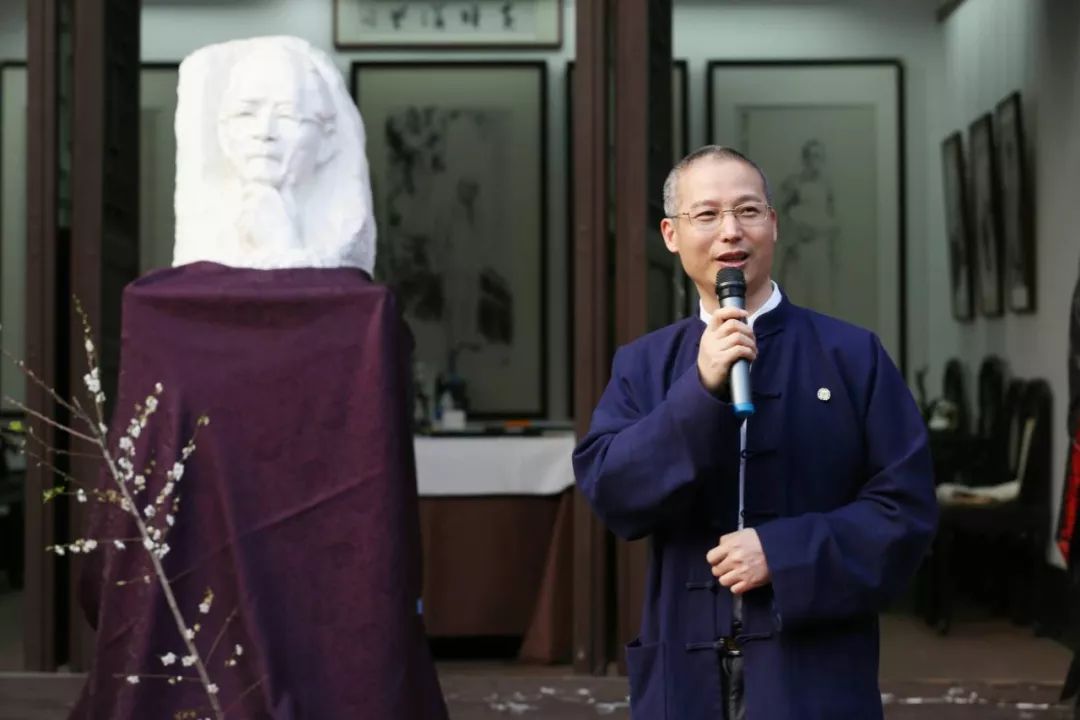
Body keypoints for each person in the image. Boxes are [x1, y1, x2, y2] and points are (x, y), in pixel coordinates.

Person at [573, 145, 938, 719]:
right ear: (671, 234)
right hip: (684, 667)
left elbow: (906, 510)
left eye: (747, 211)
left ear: (774, 224)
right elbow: (613, 493)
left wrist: (785, 552)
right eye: (707, 214)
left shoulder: (851, 356)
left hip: (812, 669)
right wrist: (700, 389)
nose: (730, 232)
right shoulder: (642, 365)